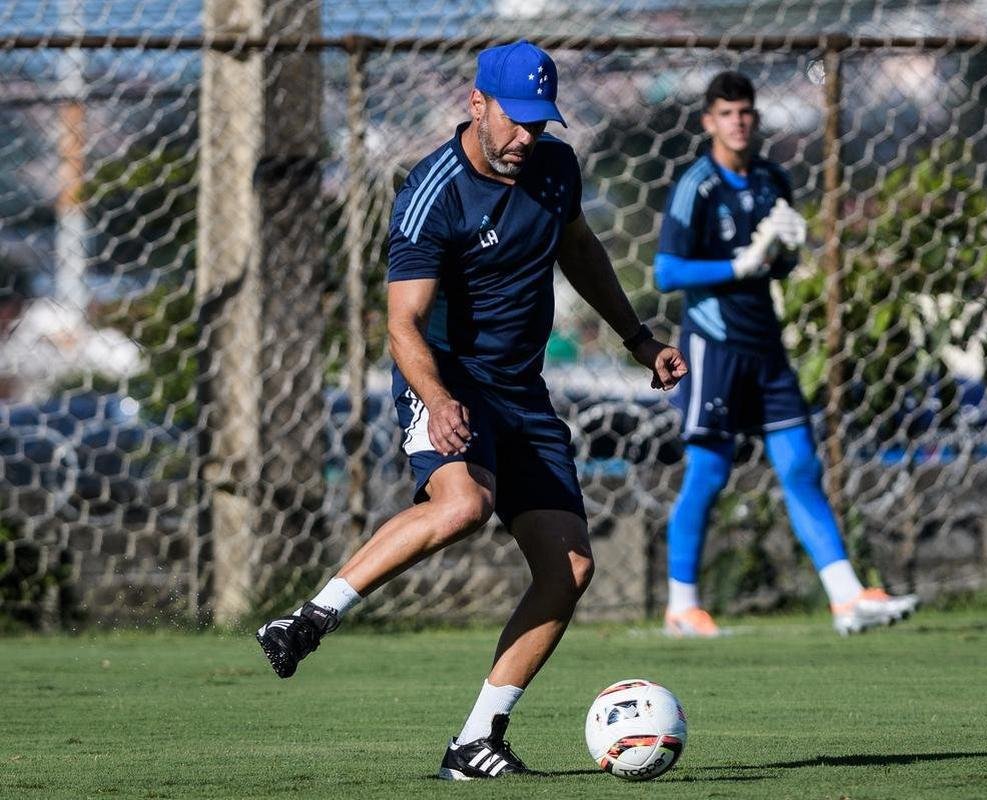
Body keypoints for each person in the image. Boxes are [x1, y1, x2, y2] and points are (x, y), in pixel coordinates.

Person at [255, 40, 687, 780]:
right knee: (464, 505)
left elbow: (578, 249)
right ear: (476, 103)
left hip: (522, 391)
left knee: (571, 568)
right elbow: (402, 325)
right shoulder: (433, 192)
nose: (527, 137)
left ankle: (476, 741)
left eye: (541, 123)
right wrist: (437, 397)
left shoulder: (554, 168)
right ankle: (309, 617)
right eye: (515, 120)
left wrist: (639, 339)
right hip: (448, 379)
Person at [654, 70, 917, 638]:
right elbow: (666, 271)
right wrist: (736, 266)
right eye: (726, 113)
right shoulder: (696, 185)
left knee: (801, 465)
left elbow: (782, 263)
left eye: (745, 112)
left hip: (765, 344)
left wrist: (783, 252)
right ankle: (682, 605)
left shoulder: (775, 179)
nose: (738, 122)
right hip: (714, 344)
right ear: (708, 122)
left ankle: (847, 598)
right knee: (709, 470)